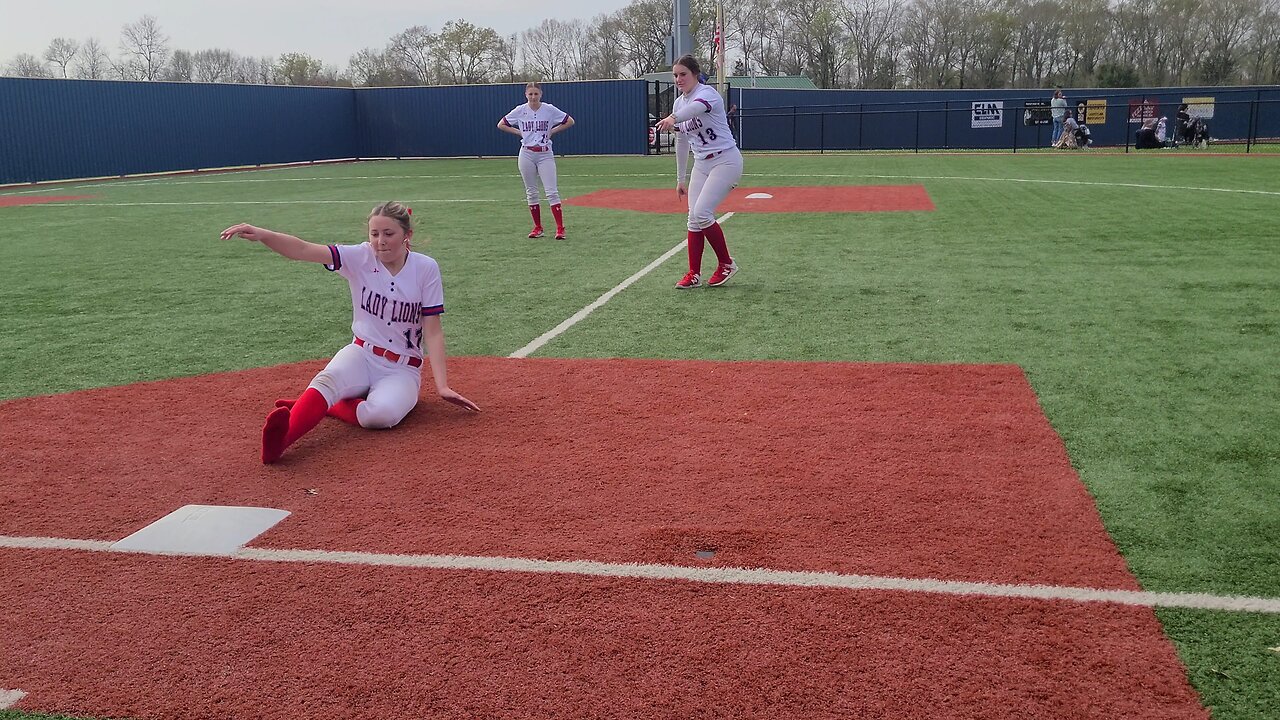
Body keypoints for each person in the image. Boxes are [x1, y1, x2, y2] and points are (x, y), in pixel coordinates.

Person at [219, 202, 480, 464]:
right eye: (374, 234)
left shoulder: (425, 268)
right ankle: (279, 444)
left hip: (402, 368)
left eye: (389, 234)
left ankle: (327, 407)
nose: (380, 241)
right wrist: (263, 234)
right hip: (361, 353)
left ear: (406, 235)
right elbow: (302, 249)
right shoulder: (360, 256)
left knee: (381, 416)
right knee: (326, 381)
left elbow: (432, 330)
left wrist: (442, 385)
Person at [654, 54, 742, 289]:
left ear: (695, 74)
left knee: (702, 213)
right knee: (693, 218)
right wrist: (680, 178)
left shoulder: (708, 94)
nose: (678, 79)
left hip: (726, 160)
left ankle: (726, 263)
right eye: (675, 75)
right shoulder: (678, 103)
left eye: (683, 74)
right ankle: (694, 273)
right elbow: (682, 142)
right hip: (702, 164)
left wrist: (673, 118)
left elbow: (696, 109)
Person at [498, 82, 575, 240]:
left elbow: (569, 121)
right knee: (531, 192)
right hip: (526, 153)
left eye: (536, 94)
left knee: (551, 192)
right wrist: (519, 132)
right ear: (526, 95)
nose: (533, 97)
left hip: (545, 153)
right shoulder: (520, 110)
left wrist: (552, 130)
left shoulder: (549, 109)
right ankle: (538, 227)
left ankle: (560, 229)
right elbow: (502, 124)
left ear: (541, 94)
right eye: (530, 94)